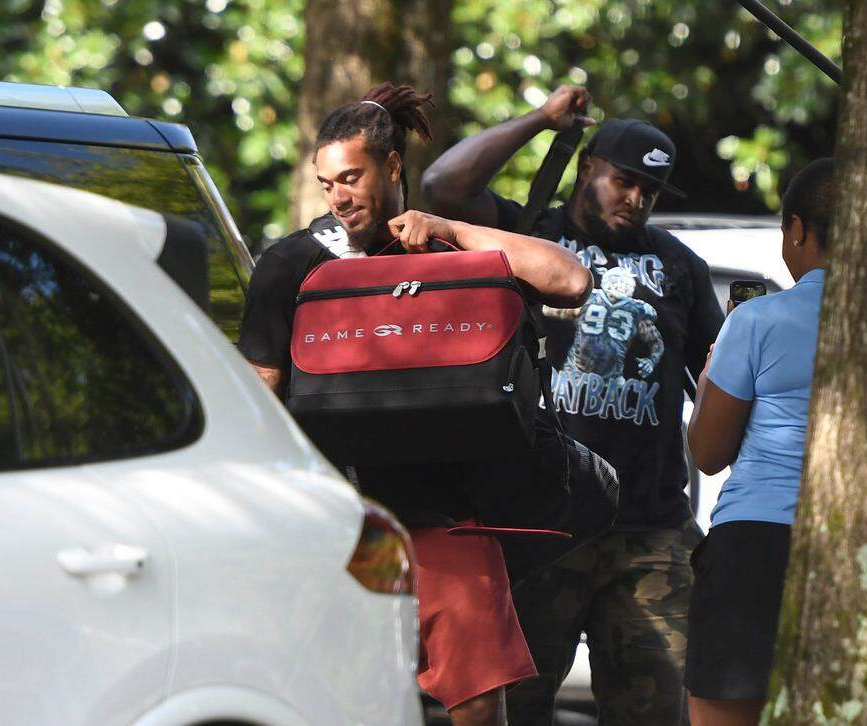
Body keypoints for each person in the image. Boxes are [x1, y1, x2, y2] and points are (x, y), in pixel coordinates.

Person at [237, 83, 591, 726]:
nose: (339, 197)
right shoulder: (289, 264)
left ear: (393, 166)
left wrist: (451, 229)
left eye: (352, 177)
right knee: (346, 700)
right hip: (345, 523)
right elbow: (259, 393)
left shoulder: (446, 249)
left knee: (479, 702)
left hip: (446, 519)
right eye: (326, 183)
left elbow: (570, 280)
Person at [421, 85, 723, 724]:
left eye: (649, 190)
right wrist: (540, 119)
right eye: (624, 179)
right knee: (515, 707)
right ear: (587, 167)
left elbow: (716, 383)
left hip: (651, 530)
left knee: (661, 710)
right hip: (541, 521)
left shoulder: (680, 267)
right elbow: (442, 187)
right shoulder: (528, 232)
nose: (635, 198)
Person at [683, 158, 834, 725]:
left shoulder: (757, 320)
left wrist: (707, 377)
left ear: (797, 229)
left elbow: (708, 451)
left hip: (757, 543)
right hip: (859, 538)